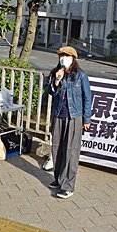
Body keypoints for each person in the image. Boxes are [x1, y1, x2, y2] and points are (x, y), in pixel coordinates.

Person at [46, 46, 91, 199]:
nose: (63, 58)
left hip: (74, 116)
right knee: (57, 149)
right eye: (61, 55)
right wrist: (57, 80)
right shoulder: (55, 73)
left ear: (73, 58)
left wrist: (87, 119)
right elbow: (50, 91)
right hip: (59, 115)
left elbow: (87, 98)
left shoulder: (80, 76)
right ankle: (58, 180)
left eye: (67, 55)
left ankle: (68, 186)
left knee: (71, 151)